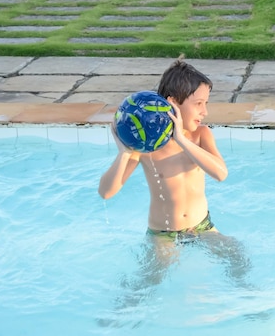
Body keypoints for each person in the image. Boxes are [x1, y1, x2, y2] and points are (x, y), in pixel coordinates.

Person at [96, 60, 250, 327]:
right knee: (153, 278)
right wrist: (124, 153)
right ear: (173, 104)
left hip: (201, 227)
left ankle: (247, 302)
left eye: (206, 103)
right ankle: (120, 318)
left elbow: (221, 173)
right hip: (164, 235)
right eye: (199, 103)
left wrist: (180, 138)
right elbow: (106, 193)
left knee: (236, 253)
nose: (205, 111)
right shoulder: (147, 146)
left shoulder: (201, 135)